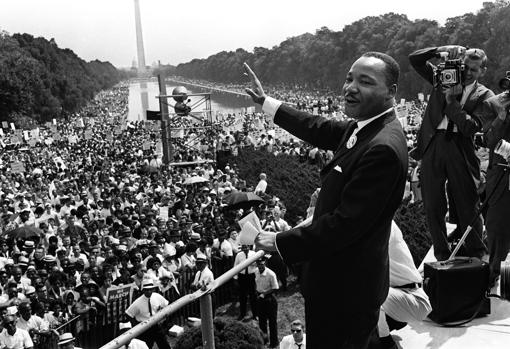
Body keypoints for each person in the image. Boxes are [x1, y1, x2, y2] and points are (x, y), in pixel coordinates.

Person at [245, 51, 408, 349]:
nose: (351, 87)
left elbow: (345, 225)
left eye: (365, 81)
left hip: (346, 292)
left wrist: (281, 241)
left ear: (391, 92)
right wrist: (266, 102)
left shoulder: (382, 147)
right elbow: (315, 126)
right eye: (349, 79)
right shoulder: (364, 126)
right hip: (337, 284)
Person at [409, 46, 494, 261]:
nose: (467, 73)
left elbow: (470, 127)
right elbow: (415, 60)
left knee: (468, 203)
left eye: (474, 70)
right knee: (432, 203)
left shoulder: (485, 95)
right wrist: (439, 50)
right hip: (433, 144)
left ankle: (477, 253)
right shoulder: (442, 77)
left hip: (461, 147)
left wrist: (451, 102)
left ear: (482, 71)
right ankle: (441, 254)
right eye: (465, 67)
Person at [376, 221, 432, 349]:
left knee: (369, 291)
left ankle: (386, 343)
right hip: (398, 295)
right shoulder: (377, 220)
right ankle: (381, 330)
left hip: (413, 298)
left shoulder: (383, 227)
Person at [480, 89, 510, 284]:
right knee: (498, 228)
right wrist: (501, 118)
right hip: (502, 178)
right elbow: (488, 140)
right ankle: (496, 276)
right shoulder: (493, 103)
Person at [125, 279, 171, 349]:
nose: (149, 292)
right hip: (145, 329)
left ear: (153, 289)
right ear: (143, 290)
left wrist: (162, 314)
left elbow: (166, 304)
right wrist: (136, 325)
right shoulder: (138, 302)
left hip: (156, 325)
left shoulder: (157, 296)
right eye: (146, 290)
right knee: (146, 346)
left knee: (164, 344)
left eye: (150, 289)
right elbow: (128, 313)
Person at [255, 257, 279, 349]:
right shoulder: (256, 271)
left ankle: (274, 343)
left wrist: (264, 294)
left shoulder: (271, 274)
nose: (260, 266)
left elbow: (275, 288)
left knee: (272, 322)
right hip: (260, 298)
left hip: (270, 299)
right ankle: (264, 341)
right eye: (259, 264)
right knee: (262, 322)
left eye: (262, 264)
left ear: (265, 263)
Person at [233, 244, 258, 321]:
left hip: (251, 276)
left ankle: (255, 314)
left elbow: (258, 264)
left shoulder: (254, 254)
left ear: (249, 247)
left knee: (253, 296)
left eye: (246, 247)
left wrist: (253, 264)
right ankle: (242, 314)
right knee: (242, 296)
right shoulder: (239, 255)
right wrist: (235, 278)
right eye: (243, 247)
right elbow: (235, 266)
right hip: (242, 277)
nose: (245, 249)